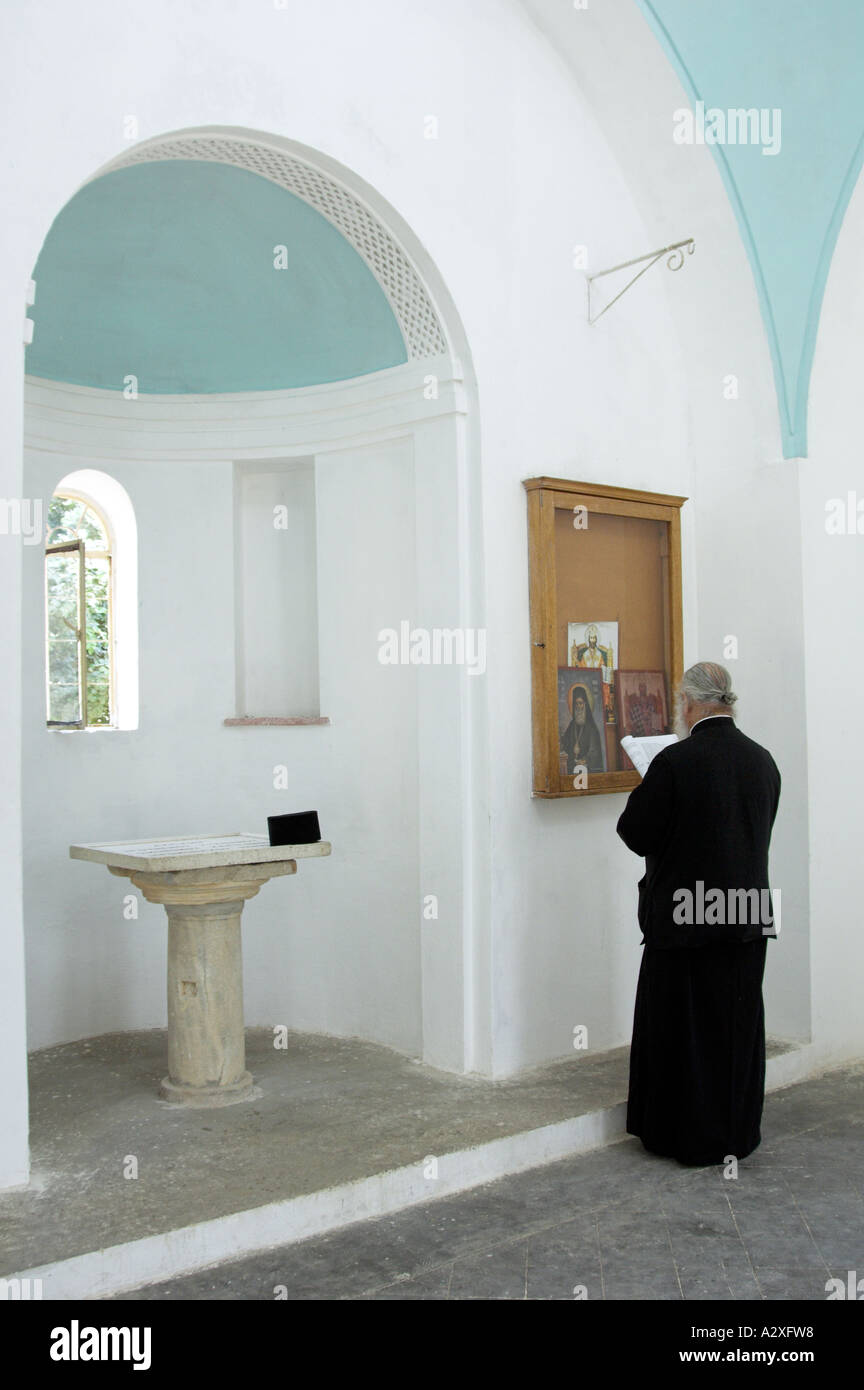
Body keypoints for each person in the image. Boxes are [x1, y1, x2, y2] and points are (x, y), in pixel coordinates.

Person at [616, 661, 781, 1165]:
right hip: (747, 915)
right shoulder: (762, 760)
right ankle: (735, 1135)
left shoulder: (676, 762)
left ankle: (683, 1136)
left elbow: (635, 833)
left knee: (684, 1030)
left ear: (689, 703)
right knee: (735, 1025)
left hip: (687, 919)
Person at [560, 683, 604, 774]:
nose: (578, 706)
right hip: (572, 766)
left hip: (586, 768)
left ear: (585, 704)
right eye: (576, 703)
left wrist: (585, 760)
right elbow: (565, 742)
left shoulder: (591, 727)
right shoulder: (572, 725)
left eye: (580, 703)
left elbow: (594, 751)